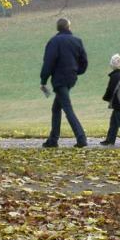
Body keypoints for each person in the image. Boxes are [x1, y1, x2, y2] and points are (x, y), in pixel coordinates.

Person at [40, 18, 88, 148]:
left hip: (59, 79)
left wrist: (43, 80)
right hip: (71, 78)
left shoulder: (54, 42)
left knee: (67, 108)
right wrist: (76, 71)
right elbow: (84, 62)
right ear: (69, 27)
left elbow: (48, 62)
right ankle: (53, 139)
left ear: (58, 28)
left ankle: (81, 138)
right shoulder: (77, 41)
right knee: (56, 108)